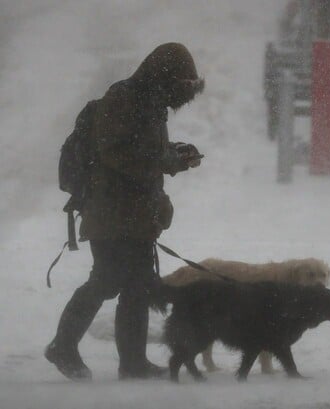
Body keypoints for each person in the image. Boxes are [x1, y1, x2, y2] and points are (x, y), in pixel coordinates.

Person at [45, 42, 205, 380]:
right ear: (165, 76)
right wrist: (168, 160)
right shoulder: (124, 98)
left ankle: (132, 362)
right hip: (111, 209)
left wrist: (177, 154)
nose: (183, 93)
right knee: (107, 280)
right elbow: (115, 154)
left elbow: (144, 150)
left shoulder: (151, 102)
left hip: (135, 212)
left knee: (138, 285)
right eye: (182, 84)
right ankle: (63, 346)